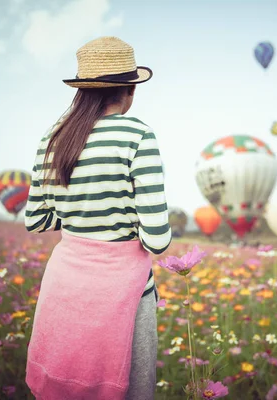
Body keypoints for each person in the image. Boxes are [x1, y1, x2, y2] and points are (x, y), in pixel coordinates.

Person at [24, 36, 172, 400]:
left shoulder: (52, 138)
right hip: (124, 293)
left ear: (83, 91)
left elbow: (36, 220)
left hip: (65, 286)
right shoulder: (138, 135)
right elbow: (157, 239)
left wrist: (80, 214)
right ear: (130, 90)